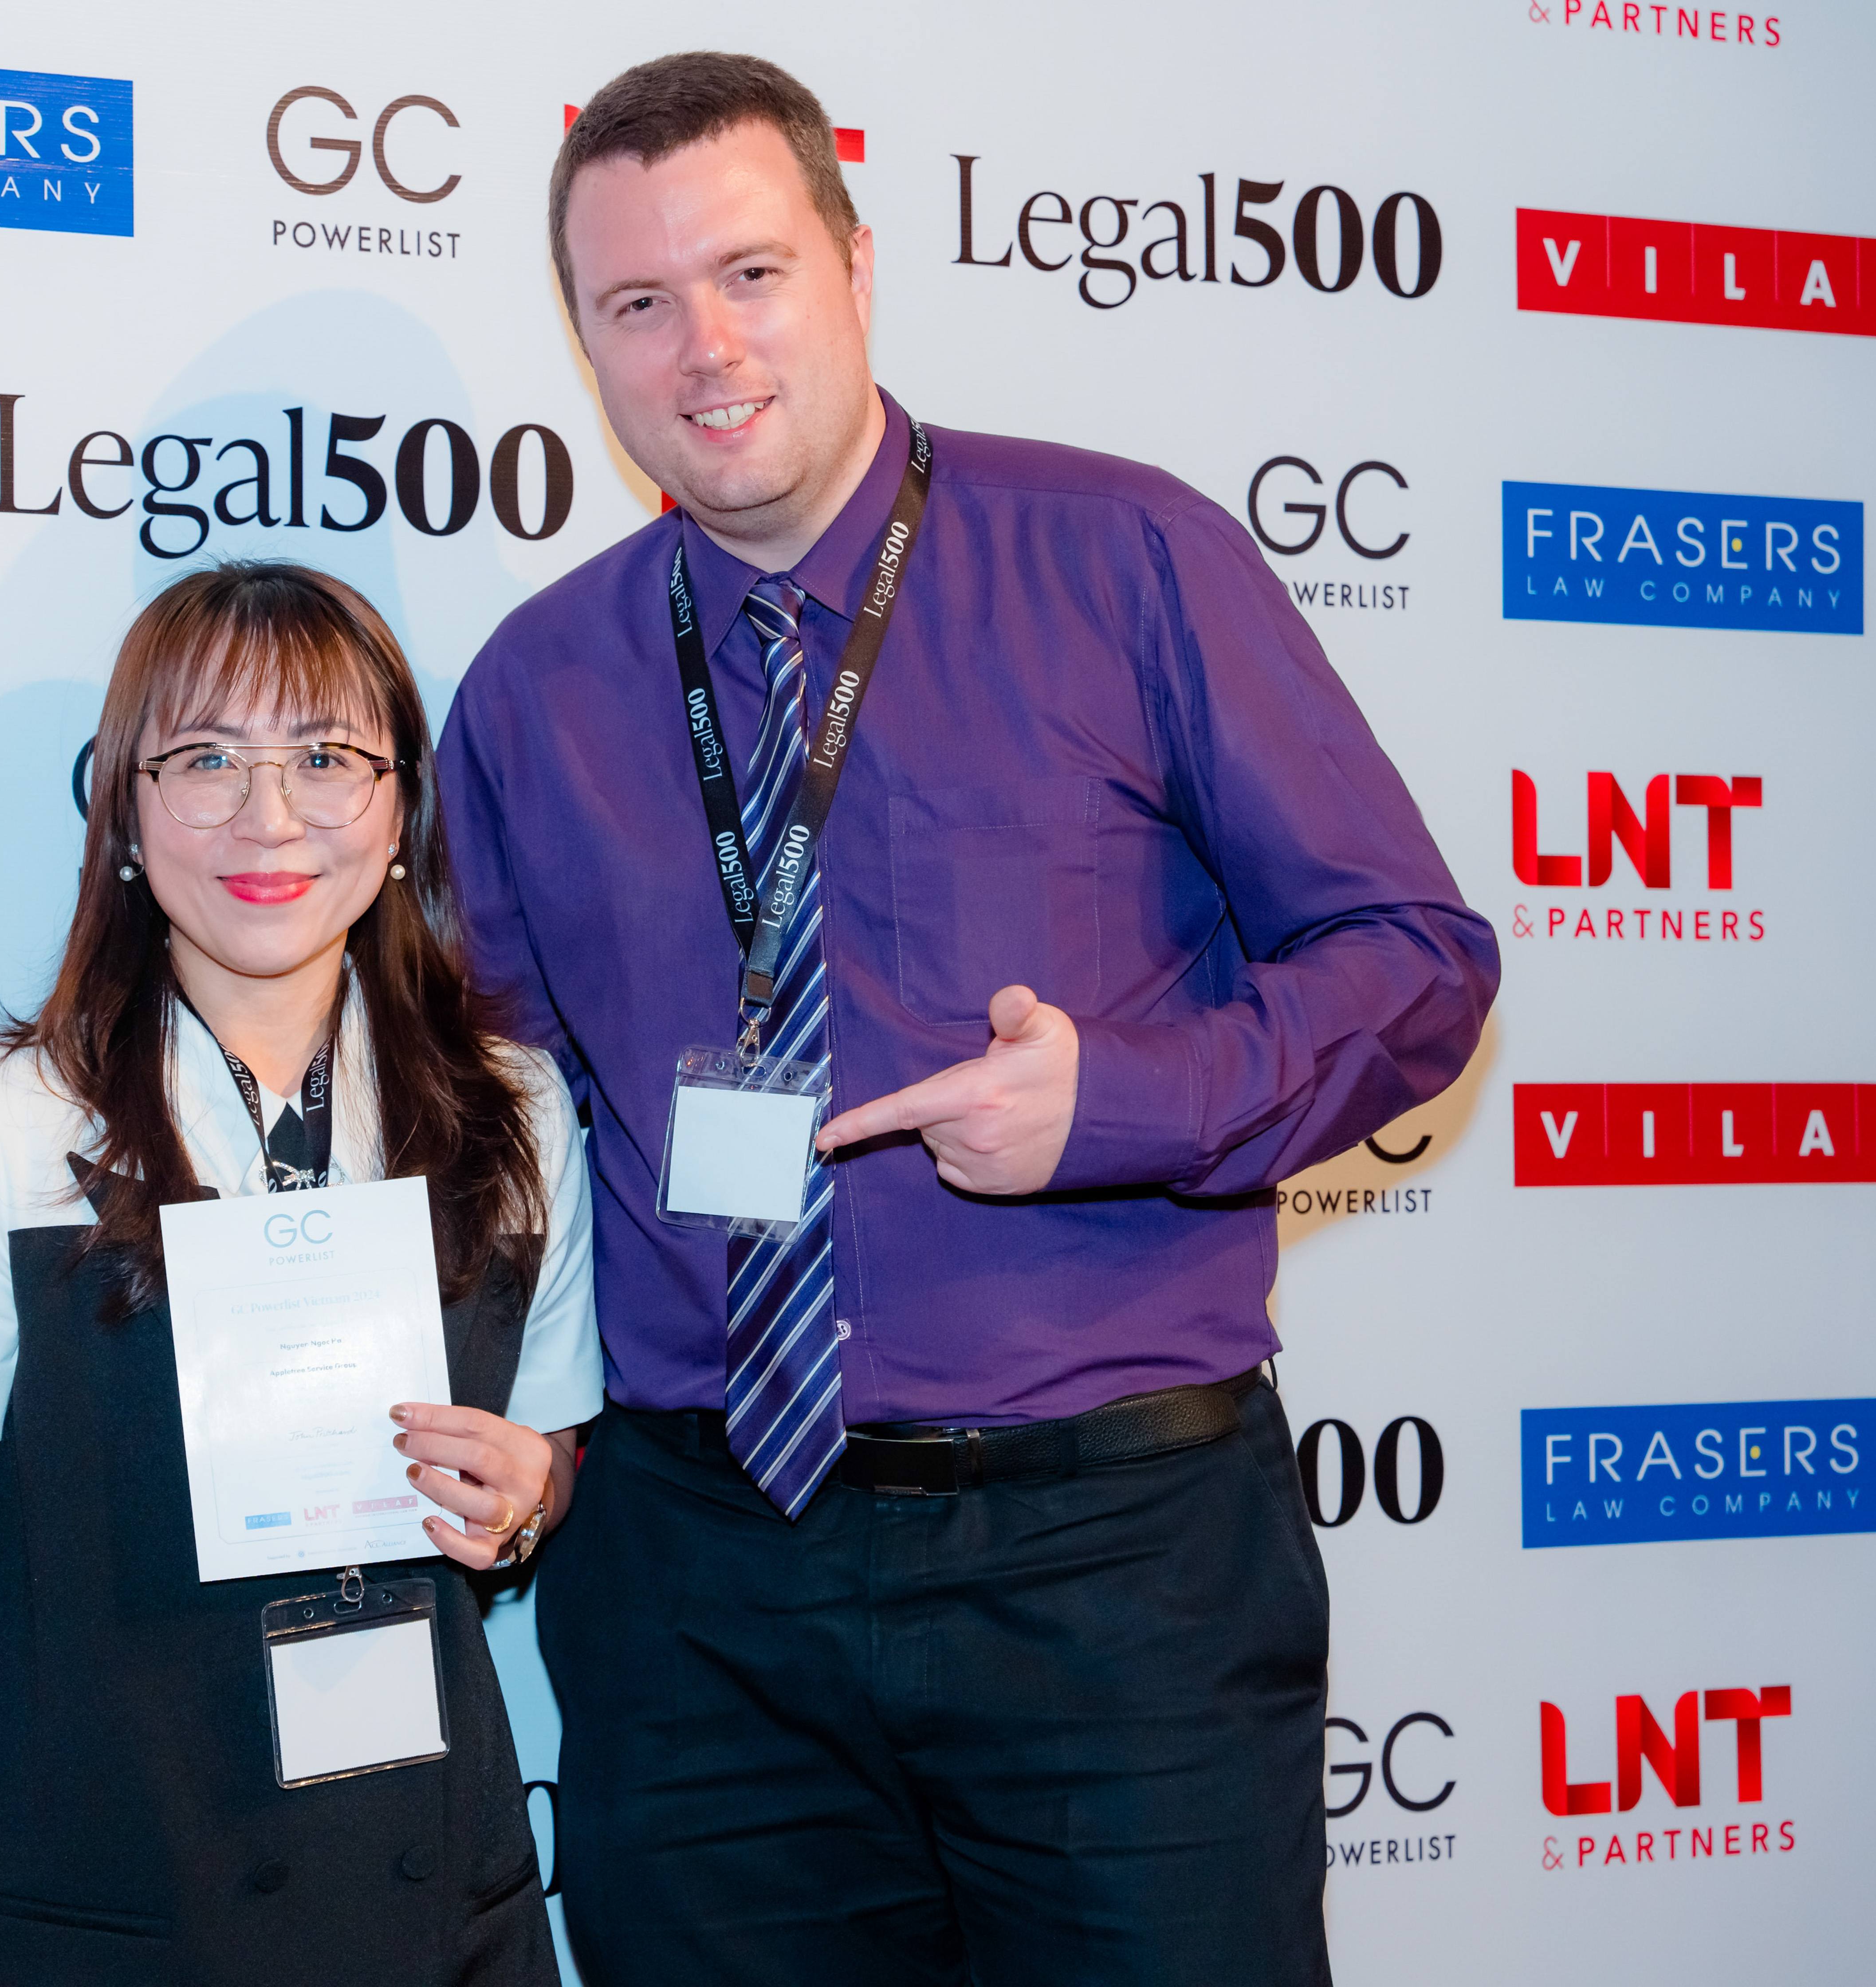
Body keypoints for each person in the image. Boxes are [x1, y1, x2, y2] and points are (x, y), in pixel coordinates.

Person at [436, 51, 1500, 1987]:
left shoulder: (1130, 557)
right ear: (583, 338)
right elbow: (503, 1121)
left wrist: (1127, 1100)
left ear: (857, 266)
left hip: (1107, 1574)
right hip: (695, 1596)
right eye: (638, 301)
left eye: (752, 274)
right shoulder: (532, 688)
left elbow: (1417, 958)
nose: (705, 347)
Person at [0, 561, 599, 1987]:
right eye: (207, 759)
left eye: (326, 758)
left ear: (401, 806)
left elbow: (552, 1459)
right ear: (126, 812)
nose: (268, 816)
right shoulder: (17, 1118)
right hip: (108, 1889)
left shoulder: (514, 1110)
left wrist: (530, 1497)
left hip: (432, 1884)